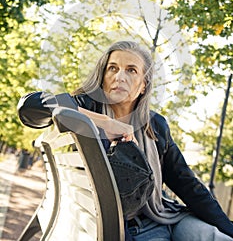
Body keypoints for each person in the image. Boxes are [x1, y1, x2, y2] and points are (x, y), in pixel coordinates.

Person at [18, 40, 233, 241]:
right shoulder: (84, 107)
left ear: (143, 85)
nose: (120, 76)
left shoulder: (156, 125)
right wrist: (103, 122)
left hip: (164, 214)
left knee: (214, 236)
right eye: (113, 68)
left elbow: (187, 184)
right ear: (102, 77)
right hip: (125, 227)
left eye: (131, 70)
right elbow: (29, 107)